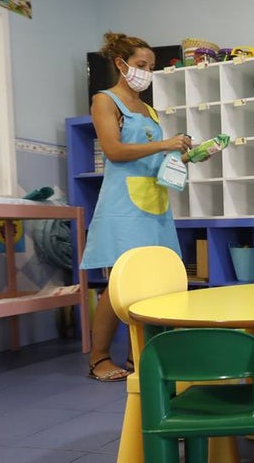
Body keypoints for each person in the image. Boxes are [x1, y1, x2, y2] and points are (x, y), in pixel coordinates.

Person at [79, 32, 193, 381]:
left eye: (150, 67)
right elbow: (113, 151)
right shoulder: (105, 100)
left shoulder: (148, 110)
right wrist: (163, 145)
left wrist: (181, 154)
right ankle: (98, 359)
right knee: (120, 286)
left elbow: (151, 156)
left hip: (154, 204)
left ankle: (137, 358)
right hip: (123, 207)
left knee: (154, 284)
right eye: (141, 65)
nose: (146, 72)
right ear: (120, 64)